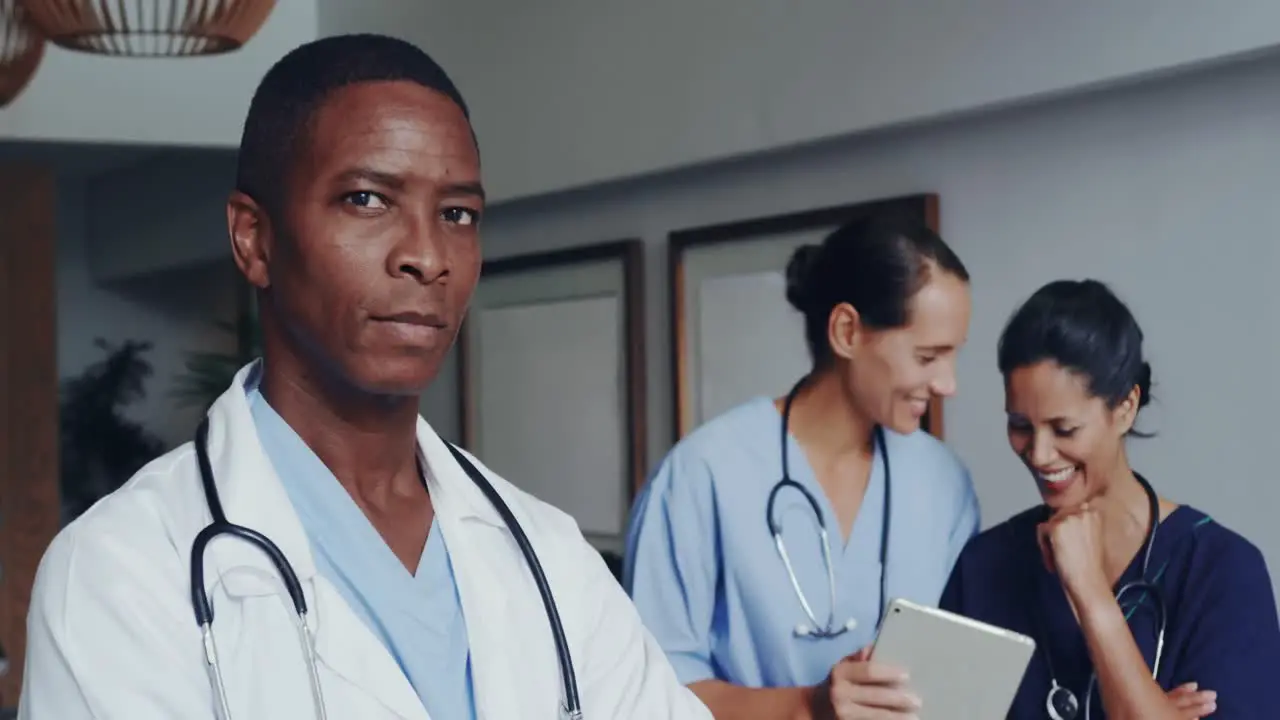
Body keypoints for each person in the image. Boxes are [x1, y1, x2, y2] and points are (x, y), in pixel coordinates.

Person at [18, 34, 711, 720]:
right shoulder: (122, 571)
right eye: (367, 200)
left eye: (457, 214)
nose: (426, 255)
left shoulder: (548, 555)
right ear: (253, 239)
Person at [624, 217, 980, 719]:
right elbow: (643, 692)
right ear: (847, 331)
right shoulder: (701, 476)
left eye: (953, 357)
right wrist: (807, 706)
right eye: (928, 357)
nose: (948, 383)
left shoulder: (944, 484)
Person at [940, 279, 1280, 719]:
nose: (1039, 454)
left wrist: (1090, 590)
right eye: (1021, 424)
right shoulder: (983, 567)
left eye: (1065, 429)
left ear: (1125, 407)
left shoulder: (1222, 570)